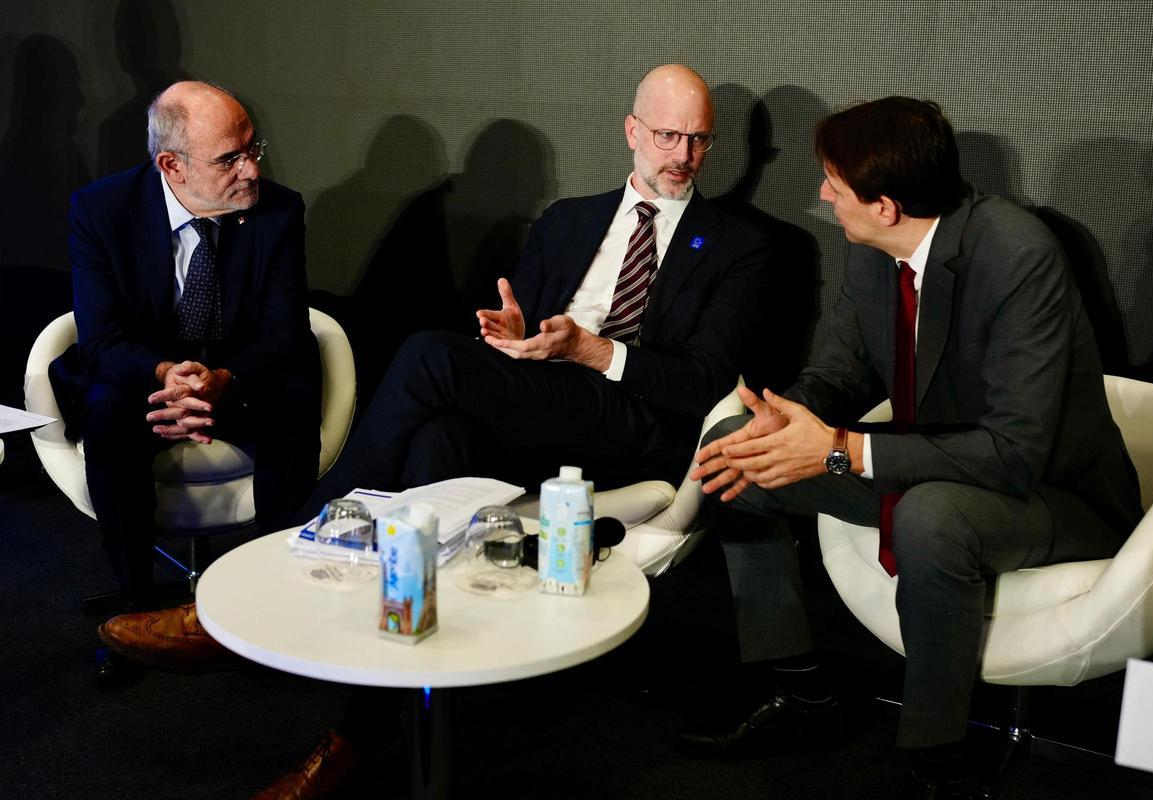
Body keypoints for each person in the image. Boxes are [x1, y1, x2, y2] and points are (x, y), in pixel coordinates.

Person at [105, 65, 772, 796]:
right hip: (536, 411)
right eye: (669, 135)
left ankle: (288, 552)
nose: (682, 155)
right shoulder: (569, 220)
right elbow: (526, 350)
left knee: (427, 355)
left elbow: (705, 383)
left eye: (699, 140)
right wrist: (516, 338)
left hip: (635, 426)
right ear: (632, 132)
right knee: (432, 453)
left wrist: (591, 350)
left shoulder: (738, 246)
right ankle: (364, 731)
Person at [683, 96, 1142, 798]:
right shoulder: (872, 251)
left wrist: (840, 451)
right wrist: (790, 419)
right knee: (734, 451)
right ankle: (804, 697)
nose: (822, 194)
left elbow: (1013, 452)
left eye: (833, 183)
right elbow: (838, 372)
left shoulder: (1017, 256)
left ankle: (939, 761)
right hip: (934, 460)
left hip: (1051, 494)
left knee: (933, 515)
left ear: (887, 205)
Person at [51, 81, 321, 674]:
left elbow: (284, 333)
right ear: (171, 164)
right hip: (146, 378)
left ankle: (273, 602)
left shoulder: (278, 210)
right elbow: (100, 338)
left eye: (254, 148)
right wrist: (169, 374)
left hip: (239, 373)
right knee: (104, 406)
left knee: (296, 394)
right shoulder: (100, 209)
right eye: (230, 158)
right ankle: (138, 605)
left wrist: (223, 378)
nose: (250, 169)